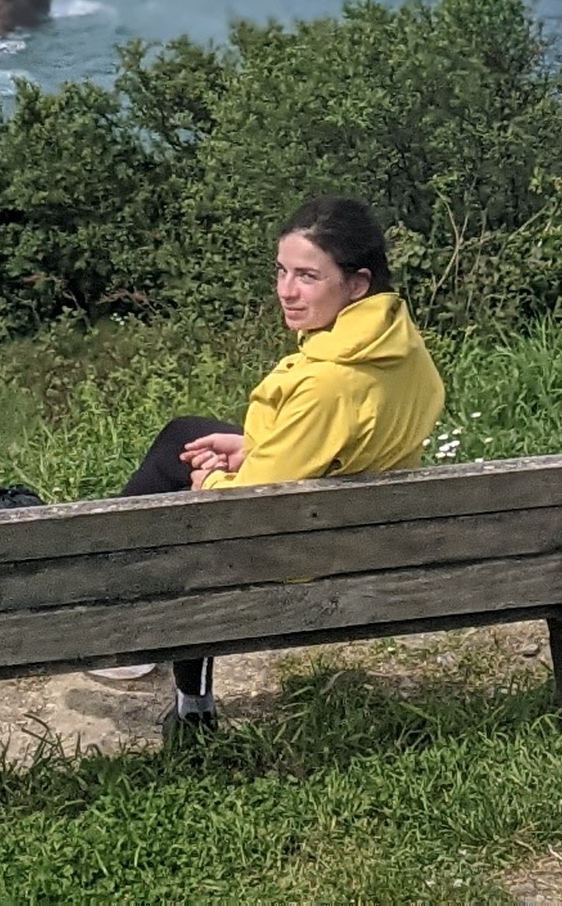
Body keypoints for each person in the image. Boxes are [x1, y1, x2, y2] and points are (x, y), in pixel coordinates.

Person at [108, 196, 444, 729]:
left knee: (183, 475)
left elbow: (244, 509)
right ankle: (120, 601)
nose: (286, 291)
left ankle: (112, 610)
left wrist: (214, 477)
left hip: (309, 557)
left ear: (356, 285)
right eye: (282, 272)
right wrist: (252, 450)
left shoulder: (329, 382)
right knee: (188, 434)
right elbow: (349, 442)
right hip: (372, 533)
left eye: (308, 276)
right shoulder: (402, 348)